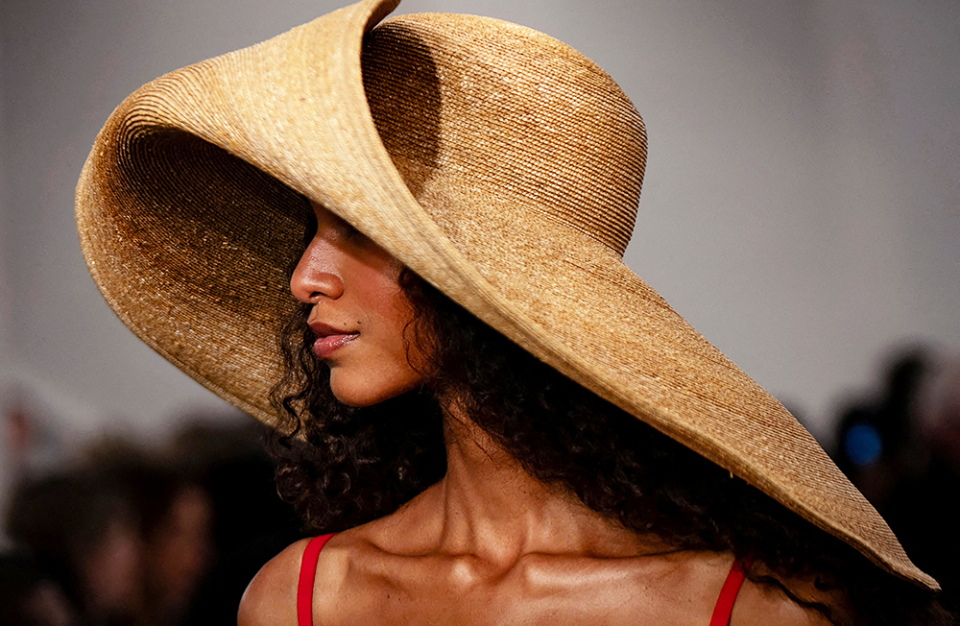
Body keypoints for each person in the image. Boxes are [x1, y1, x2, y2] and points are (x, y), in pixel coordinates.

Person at [75, 0, 950, 623]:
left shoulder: (747, 608)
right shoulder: (294, 599)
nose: (305, 276)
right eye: (311, 231)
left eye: (357, 230)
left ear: (476, 278)